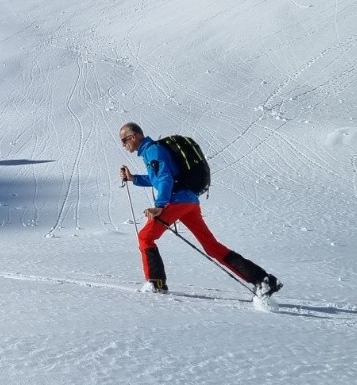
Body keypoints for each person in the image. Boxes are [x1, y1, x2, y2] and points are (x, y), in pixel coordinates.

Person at [118, 122, 281, 296]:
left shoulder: (153, 151)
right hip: (190, 202)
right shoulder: (152, 151)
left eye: (124, 140)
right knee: (211, 246)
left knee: (145, 237)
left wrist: (159, 206)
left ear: (133, 136)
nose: (124, 145)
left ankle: (155, 284)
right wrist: (134, 178)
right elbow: (159, 178)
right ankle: (263, 280)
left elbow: (165, 178)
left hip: (177, 201)